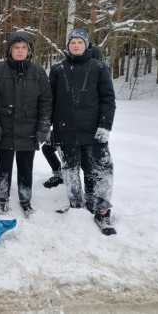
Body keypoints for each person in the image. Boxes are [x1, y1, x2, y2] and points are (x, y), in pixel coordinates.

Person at [50, 28, 117, 235]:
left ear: (87, 45)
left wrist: (105, 126)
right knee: (70, 169)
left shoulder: (99, 68)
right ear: (68, 45)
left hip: (94, 131)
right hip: (66, 130)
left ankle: (101, 208)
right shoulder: (58, 70)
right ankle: (76, 205)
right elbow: (50, 101)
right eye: (73, 42)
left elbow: (108, 99)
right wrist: (51, 128)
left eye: (80, 42)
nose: (76, 45)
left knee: (101, 169)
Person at [0, 30, 52, 217]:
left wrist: (43, 126)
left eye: (24, 47)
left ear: (29, 51)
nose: (20, 51)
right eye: (16, 47)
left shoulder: (38, 72)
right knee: (4, 166)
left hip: (29, 129)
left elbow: (46, 101)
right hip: (4, 128)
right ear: (10, 50)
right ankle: (3, 197)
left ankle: (25, 199)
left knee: (26, 167)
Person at [42, 40, 104, 189]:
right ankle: (59, 173)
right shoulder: (63, 71)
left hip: (88, 131)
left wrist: (102, 126)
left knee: (86, 162)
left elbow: (104, 102)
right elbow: (54, 99)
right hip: (64, 128)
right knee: (48, 148)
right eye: (74, 43)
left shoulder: (97, 72)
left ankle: (92, 193)